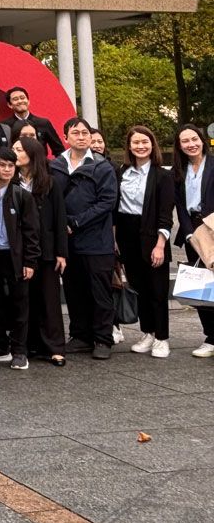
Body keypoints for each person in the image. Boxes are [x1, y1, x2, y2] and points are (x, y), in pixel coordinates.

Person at [50, 117, 119, 360]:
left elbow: (107, 202)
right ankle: (80, 335)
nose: (81, 136)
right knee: (74, 289)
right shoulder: (55, 166)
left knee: (100, 292)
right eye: (75, 132)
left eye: (85, 132)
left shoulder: (103, 167)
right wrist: (61, 224)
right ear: (65, 136)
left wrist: (76, 222)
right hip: (67, 241)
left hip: (96, 240)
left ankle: (102, 338)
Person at [115, 125, 174, 358]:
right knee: (139, 288)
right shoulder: (122, 172)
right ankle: (148, 332)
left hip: (152, 235)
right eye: (136, 142)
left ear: (152, 145)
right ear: (129, 146)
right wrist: (115, 239)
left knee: (157, 290)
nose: (140, 146)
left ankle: (162, 338)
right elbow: (116, 208)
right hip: (127, 236)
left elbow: (165, 214)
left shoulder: (163, 175)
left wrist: (160, 244)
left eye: (145, 142)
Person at [0, 148, 39, 370]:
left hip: (16, 257)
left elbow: (32, 231)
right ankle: (0, 345)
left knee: (20, 303)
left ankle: (20, 351)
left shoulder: (21, 195)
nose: (6, 169)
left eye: (10, 166)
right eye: (2, 165)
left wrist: (30, 261)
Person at [15, 136, 68, 367]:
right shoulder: (11, 181)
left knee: (49, 299)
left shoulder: (50, 182)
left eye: (19, 149)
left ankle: (55, 347)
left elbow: (59, 218)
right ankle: (30, 344)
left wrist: (61, 252)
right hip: (20, 249)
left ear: (32, 153)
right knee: (26, 299)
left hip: (46, 250)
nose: (14, 153)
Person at [172, 124, 214, 357]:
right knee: (201, 285)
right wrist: (188, 233)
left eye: (194, 139)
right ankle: (210, 337)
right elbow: (179, 205)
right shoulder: (179, 171)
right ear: (179, 146)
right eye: (185, 141)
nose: (191, 144)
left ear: (202, 140)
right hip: (192, 231)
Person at [5, 86, 64, 157]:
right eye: (15, 99)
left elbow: (59, 150)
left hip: (41, 166)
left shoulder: (44, 123)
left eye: (22, 98)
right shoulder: (5, 126)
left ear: (28, 101)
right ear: (9, 105)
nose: (20, 101)